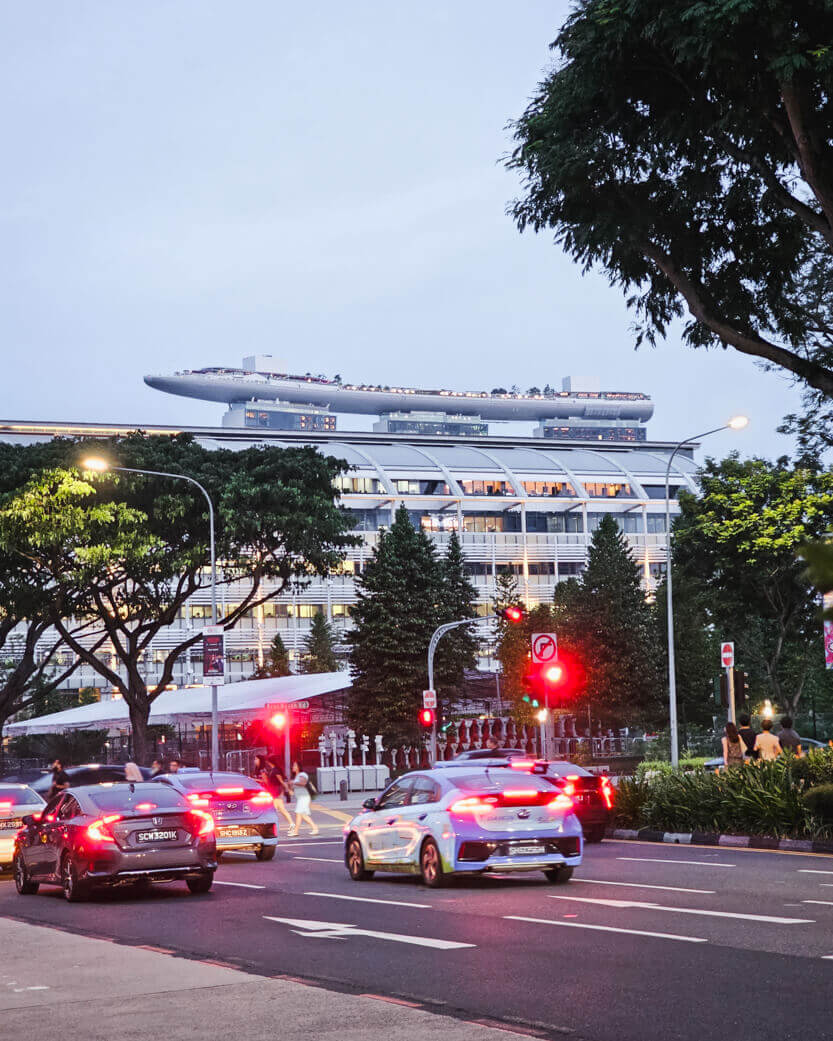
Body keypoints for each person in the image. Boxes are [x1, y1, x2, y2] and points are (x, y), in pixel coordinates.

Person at [254, 755, 294, 830]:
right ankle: (291, 824)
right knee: (281, 810)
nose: (266, 762)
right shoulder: (273, 770)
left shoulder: (275, 770)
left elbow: (281, 781)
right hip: (274, 792)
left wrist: (288, 790)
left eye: (268, 761)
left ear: (270, 761)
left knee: (272, 810)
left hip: (276, 793)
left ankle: (271, 827)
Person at [288, 760, 319, 837]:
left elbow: (303, 783)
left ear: (298, 767)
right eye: (293, 765)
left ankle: (296, 831)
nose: (293, 767)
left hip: (304, 797)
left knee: (298, 813)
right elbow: (294, 788)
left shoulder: (302, 774)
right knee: (303, 815)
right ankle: (314, 828)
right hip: (301, 798)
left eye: (295, 765)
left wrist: (293, 783)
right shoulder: (296, 776)